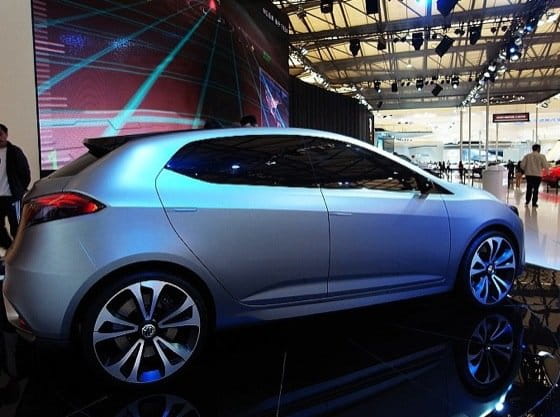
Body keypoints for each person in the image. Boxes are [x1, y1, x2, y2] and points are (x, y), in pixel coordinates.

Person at [0, 124, 31, 250]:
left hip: (13, 197)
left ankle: (20, 251)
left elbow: (25, 173)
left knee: (17, 227)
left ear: (6, 135)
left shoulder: (15, 152)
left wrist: (19, 190)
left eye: (0, 134)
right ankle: (10, 249)